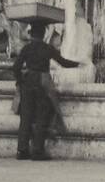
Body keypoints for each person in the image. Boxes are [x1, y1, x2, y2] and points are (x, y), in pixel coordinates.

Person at [12, 21, 81, 160]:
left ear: (31, 34)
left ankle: (22, 150)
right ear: (43, 34)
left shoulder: (27, 48)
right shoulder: (47, 48)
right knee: (42, 116)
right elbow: (63, 62)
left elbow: (16, 67)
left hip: (28, 82)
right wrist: (78, 64)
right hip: (42, 83)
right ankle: (37, 151)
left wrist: (20, 81)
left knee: (25, 117)